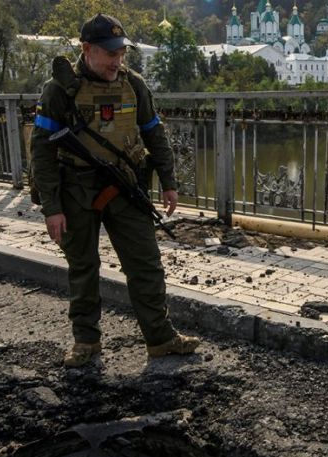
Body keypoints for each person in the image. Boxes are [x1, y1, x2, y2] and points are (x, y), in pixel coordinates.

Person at [30, 13, 200, 367]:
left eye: (121, 52)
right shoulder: (59, 90)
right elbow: (42, 151)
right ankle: (86, 342)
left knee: (146, 263)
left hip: (125, 186)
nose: (117, 60)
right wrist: (52, 208)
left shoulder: (133, 84)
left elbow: (154, 132)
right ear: (86, 49)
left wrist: (168, 181)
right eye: (110, 53)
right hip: (75, 190)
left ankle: (161, 338)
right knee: (83, 267)